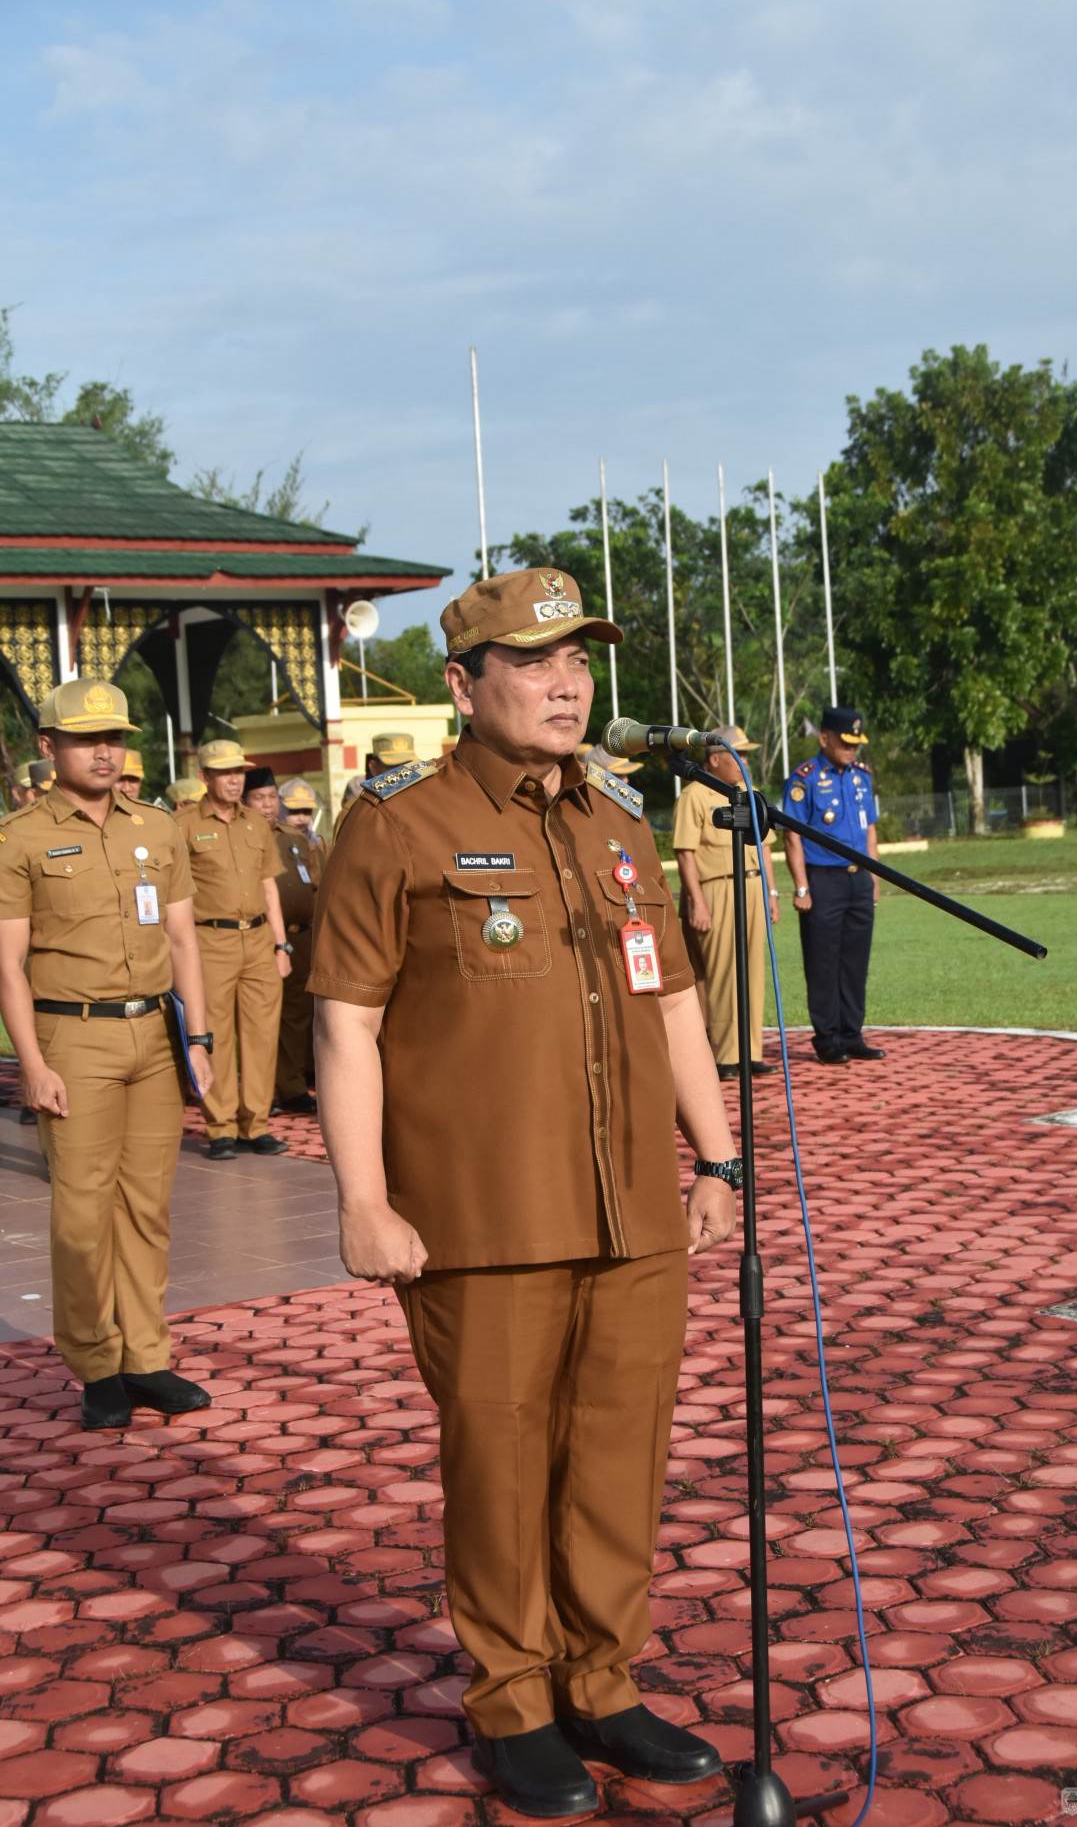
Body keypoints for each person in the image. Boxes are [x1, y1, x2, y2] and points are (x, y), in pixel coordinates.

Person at [309, 566, 737, 1819]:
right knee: (498, 1462)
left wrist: (713, 1158)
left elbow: (665, 998)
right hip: (480, 1218)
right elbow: (342, 1023)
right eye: (535, 662)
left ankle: (602, 1682)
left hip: (628, 1212)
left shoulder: (615, 822)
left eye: (580, 662)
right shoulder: (397, 824)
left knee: (617, 1456)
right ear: (462, 682)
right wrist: (361, 1200)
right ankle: (513, 1702)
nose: (566, 684)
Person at [0, 679, 215, 1431]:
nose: (104, 750)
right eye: (87, 738)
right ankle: (96, 1364)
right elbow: (8, 964)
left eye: (115, 737)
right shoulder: (19, 838)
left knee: (147, 1207)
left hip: (155, 1036)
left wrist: (200, 1039)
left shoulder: (157, 827)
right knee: (82, 1214)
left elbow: (184, 938)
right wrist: (32, 1061)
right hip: (73, 1036)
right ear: (48, 748)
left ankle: (146, 1357)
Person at [176, 738, 292, 1159]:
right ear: (204, 777)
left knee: (263, 1035)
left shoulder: (256, 823)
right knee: (217, 1036)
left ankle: (255, 1123)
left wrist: (282, 946)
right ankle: (220, 1125)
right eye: (224, 773)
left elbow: (269, 888)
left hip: (260, 939)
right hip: (211, 941)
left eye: (238, 772)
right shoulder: (185, 825)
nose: (233, 780)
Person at [673, 726, 780, 1081]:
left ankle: (750, 1052)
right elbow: (685, 852)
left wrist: (771, 894)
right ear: (715, 759)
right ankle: (723, 1054)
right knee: (721, 974)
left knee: (752, 971)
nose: (744, 761)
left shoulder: (747, 794)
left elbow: (765, 847)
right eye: (739, 754)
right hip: (716, 888)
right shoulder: (694, 795)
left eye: (747, 754)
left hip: (752, 886)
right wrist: (697, 902)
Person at [782, 705, 885, 1064]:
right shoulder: (804, 778)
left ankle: (852, 1034)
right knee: (823, 961)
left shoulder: (860, 776)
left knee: (855, 960)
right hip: (822, 879)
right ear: (824, 738)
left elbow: (870, 828)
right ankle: (827, 1038)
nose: (851, 749)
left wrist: (874, 876)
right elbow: (792, 835)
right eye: (844, 742)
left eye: (855, 743)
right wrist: (801, 887)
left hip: (858, 878)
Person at [244, 770, 327, 1113]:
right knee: (260, 1018)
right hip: (259, 935)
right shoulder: (244, 835)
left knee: (298, 1014)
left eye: (271, 797)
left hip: (303, 935)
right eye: (259, 798)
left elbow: (318, 885)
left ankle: (291, 1085)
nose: (267, 805)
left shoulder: (294, 838)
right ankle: (260, 1093)